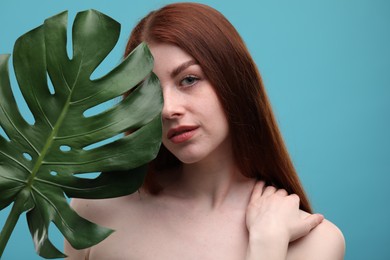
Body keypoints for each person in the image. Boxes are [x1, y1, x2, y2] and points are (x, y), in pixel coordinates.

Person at [65, 2, 345, 259]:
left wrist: (267, 244)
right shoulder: (94, 209)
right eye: (147, 90)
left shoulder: (313, 242)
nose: (167, 109)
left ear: (233, 80)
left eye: (188, 79)